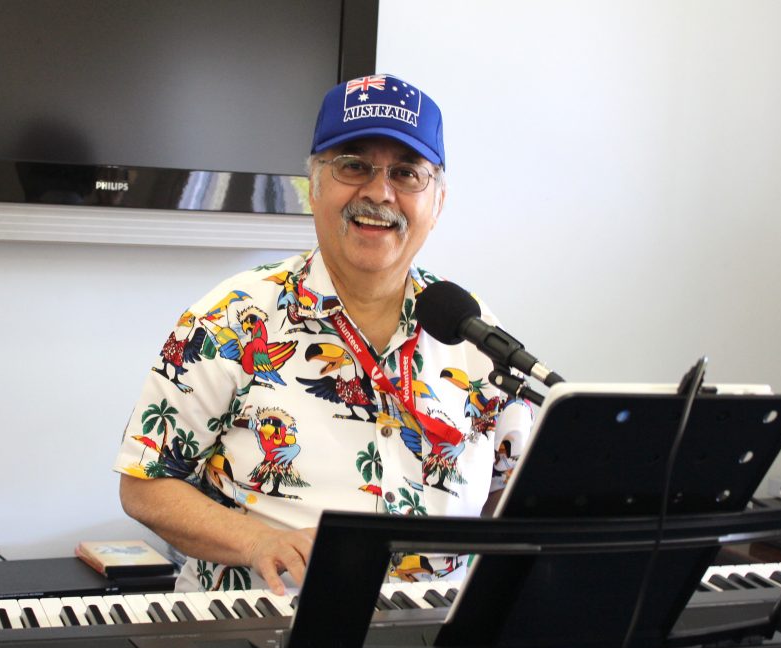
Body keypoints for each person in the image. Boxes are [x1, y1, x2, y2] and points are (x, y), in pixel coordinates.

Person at [115, 73, 533, 594]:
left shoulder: (473, 332)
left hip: (429, 638)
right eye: (354, 166)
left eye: (406, 174)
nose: (379, 193)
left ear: (438, 203)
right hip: (260, 631)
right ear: (313, 185)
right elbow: (145, 484)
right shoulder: (229, 318)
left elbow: (518, 498)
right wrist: (254, 542)